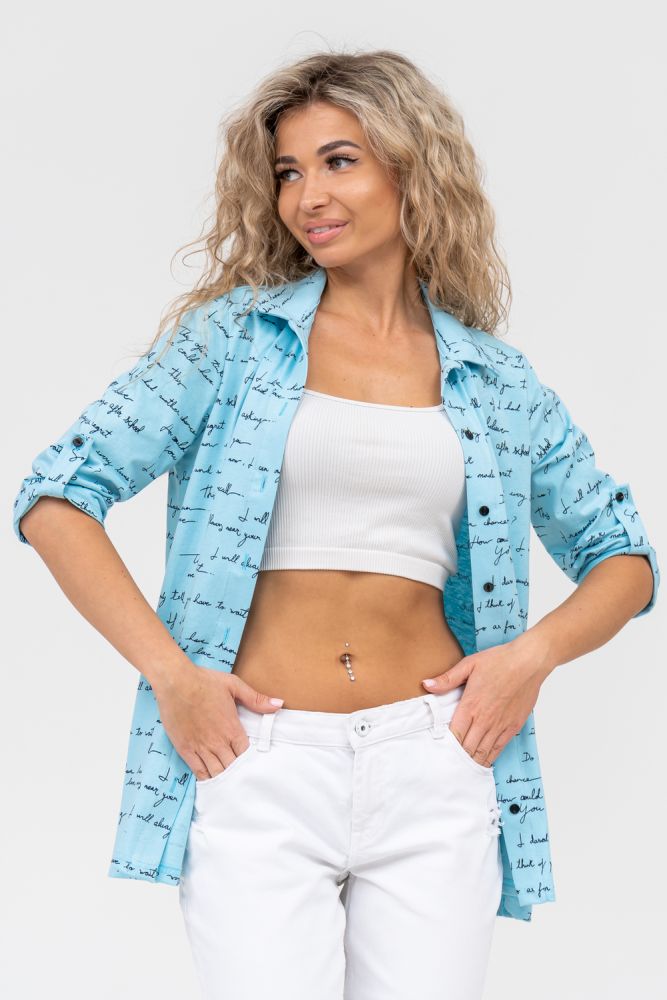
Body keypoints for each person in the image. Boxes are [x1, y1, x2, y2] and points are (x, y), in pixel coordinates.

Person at [12, 50, 659, 1000]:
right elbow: (58, 496)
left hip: (435, 761)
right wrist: (171, 676)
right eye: (288, 172)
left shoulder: (494, 380)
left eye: (338, 161)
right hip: (256, 758)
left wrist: (529, 659)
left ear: (411, 167)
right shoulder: (234, 341)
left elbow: (623, 558)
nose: (306, 195)